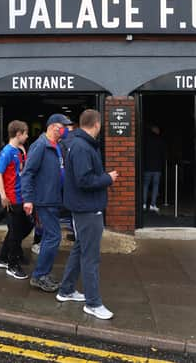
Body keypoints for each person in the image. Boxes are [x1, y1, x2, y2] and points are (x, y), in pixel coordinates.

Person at [56, 109, 118, 320]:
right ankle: (93, 303)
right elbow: (84, 180)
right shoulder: (82, 147)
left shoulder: (78, 144)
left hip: (84, 207)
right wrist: (108, 178)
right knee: (91, 257)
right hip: (88, 209)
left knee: (79, 249)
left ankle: (66, 290)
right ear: (97, 124)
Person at [21, 113, 73, 292]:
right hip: (44, 199)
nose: (65, 130)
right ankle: (39, 276)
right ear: (52, 127)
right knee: (53, 237)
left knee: (52, 237)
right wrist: (28, 199)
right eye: (62, 127)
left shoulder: (56, 146)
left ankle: (43, 273)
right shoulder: (40, 146)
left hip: (54, 198)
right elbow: (28, 173)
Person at [0, 120, 34, 280]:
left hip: (21, 196)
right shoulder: (7, 152)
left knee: (23, 227)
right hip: (12, 198)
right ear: (18, 134)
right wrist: (3, 196)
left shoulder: (18, 150)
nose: (27, 136)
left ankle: (3, 257)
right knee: (16, 232)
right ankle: (12, 264)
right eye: (25, 133)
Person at [143, 124, 166, 212]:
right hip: (157, 167)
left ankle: (144, 204)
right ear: (156, 130)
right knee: (155, 186)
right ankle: (152, 205)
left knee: (145, 185)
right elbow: (163, 153)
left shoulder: (146, 140)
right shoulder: (160, 140)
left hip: (147, 167)